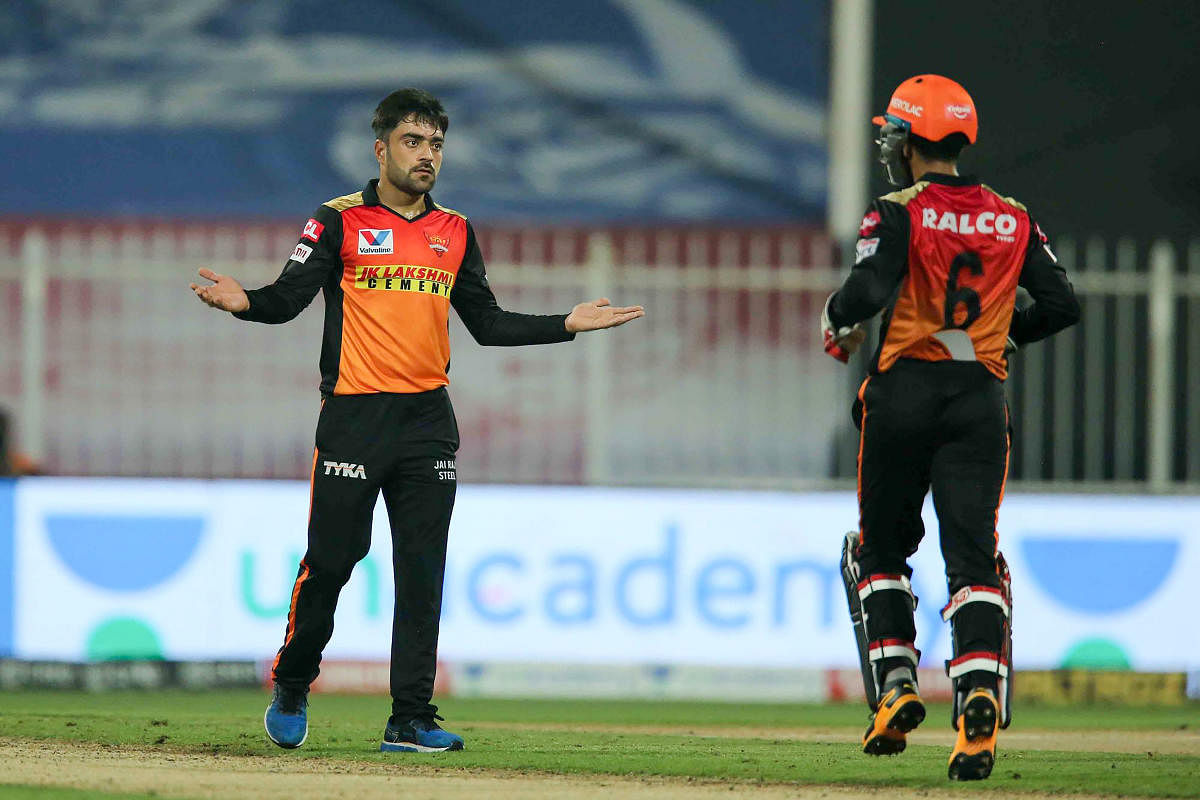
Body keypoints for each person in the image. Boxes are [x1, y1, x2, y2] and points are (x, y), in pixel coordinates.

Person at [190, 88, 644, 753]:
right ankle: (293, 679)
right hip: (354, 415)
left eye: (435, 144)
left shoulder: (454, 231)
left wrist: (564, 323)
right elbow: (288, 300)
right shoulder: (338, 219)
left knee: (423, 568)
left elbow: (486, 324)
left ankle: (409, 719)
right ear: (380, 150)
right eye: (413, 141)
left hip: (428, 420)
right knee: (336, 561)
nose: (427, 154)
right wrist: (246, 302)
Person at [824, 75, 1079, 781]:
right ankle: (976, 711)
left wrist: (838, 317)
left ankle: (898, 684)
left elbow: (871, 288)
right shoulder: (1012, 216)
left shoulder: (896, 210)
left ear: (905, 143)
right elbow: (1061, 305)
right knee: (974, 562)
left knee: (878, 551)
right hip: (978, 400)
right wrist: (1002, 336)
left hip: (902, 395)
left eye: (893, 137)